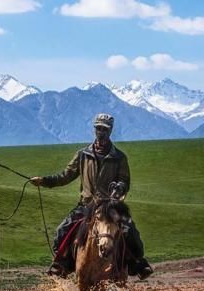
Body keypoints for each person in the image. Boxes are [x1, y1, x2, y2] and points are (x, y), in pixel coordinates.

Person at [29, 112, 152, 279]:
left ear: (110, 131)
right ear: (94, 130)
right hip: (86, 206)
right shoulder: (82, 155)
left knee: (130, 231)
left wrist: (119, 189)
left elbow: (125, 181)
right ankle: (61, 264)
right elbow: (65, 176)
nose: (101, 132)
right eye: (98, 128)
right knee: (62, 231)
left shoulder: (119, 158)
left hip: (110, 207)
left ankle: (138, 263)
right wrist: (43, 181)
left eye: (105, 129)